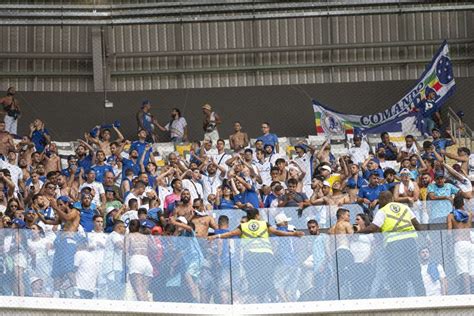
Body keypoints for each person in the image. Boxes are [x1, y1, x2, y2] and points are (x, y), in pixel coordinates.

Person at [208, 208, 303, 303]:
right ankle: (266, 301)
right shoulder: (264, 224)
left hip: (250, 256)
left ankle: (257, 302)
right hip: (266, 255)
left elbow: (230, 233)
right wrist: (293, 234)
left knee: (253, 280)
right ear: (257, 215)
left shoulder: (243, 226)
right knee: (266, 279)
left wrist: (216, 236)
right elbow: (277, 232)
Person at [358, 191, 425, 297]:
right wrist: (426, 237)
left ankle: (403, 297)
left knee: (398, 271)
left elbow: (373, 228)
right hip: (410, 241)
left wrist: (357, 232)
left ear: (383, 200)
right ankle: (422, 297)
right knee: (414, 269)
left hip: (394, 243)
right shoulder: (404, 207)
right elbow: (417, 225)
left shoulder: (382, 211)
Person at [446, 195, 472, 294]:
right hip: (470, 243)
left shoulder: (451, 216)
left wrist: (448, 247)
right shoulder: (469, 214)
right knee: (471, 271)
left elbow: (448, 233)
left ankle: (467, 294)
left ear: (453, 204)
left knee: (463, 271)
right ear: (463, 204)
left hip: (459, 243)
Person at [127, 219, 153, 301]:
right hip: (146, 261)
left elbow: (125, 251)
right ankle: (149, 311)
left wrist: (124, 265)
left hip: (136, 260)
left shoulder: (129, 236)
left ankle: (145, 311)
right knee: (144, 292)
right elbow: (154, 248)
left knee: (138, 290)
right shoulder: (145, 237)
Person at [102, 220, 126, 300]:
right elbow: (120, 245)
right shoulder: (115, 235)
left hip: (115, 267)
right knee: (114, 289)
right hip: (113, 267)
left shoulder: (114, 235)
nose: (125, 229)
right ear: (119, 227)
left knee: (115, 290)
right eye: (124, 227)